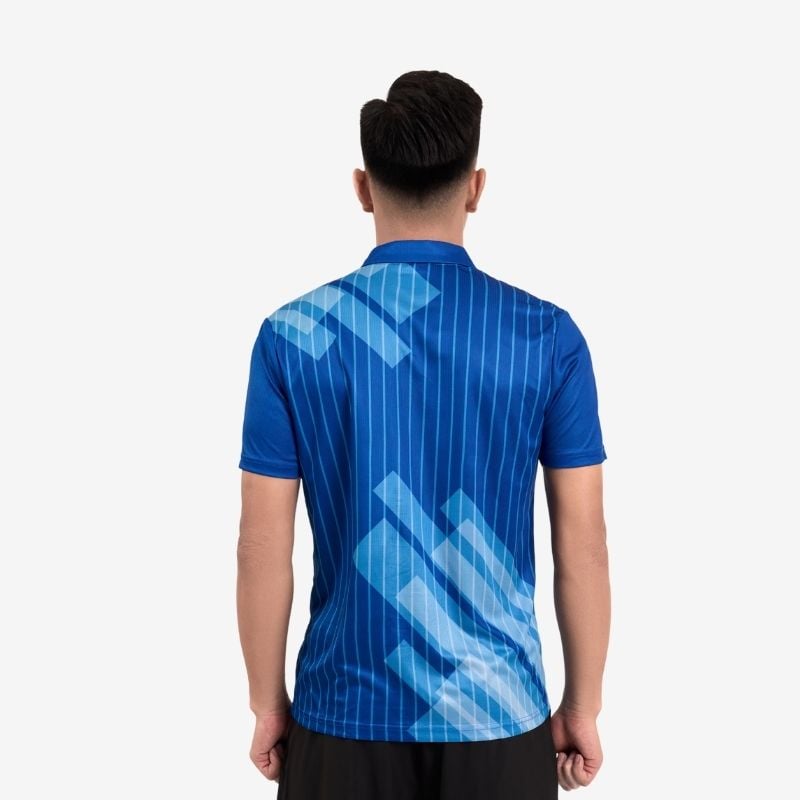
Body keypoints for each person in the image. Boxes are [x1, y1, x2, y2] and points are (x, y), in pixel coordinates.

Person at [236, 69, 611, 798]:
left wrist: (267, 704)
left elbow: (261, 545)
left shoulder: (292, 337)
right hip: (499, 716)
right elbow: (584, 543)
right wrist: (583, 706)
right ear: (475, 188)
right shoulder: (545, 337)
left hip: (342, 713)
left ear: (362, 187)